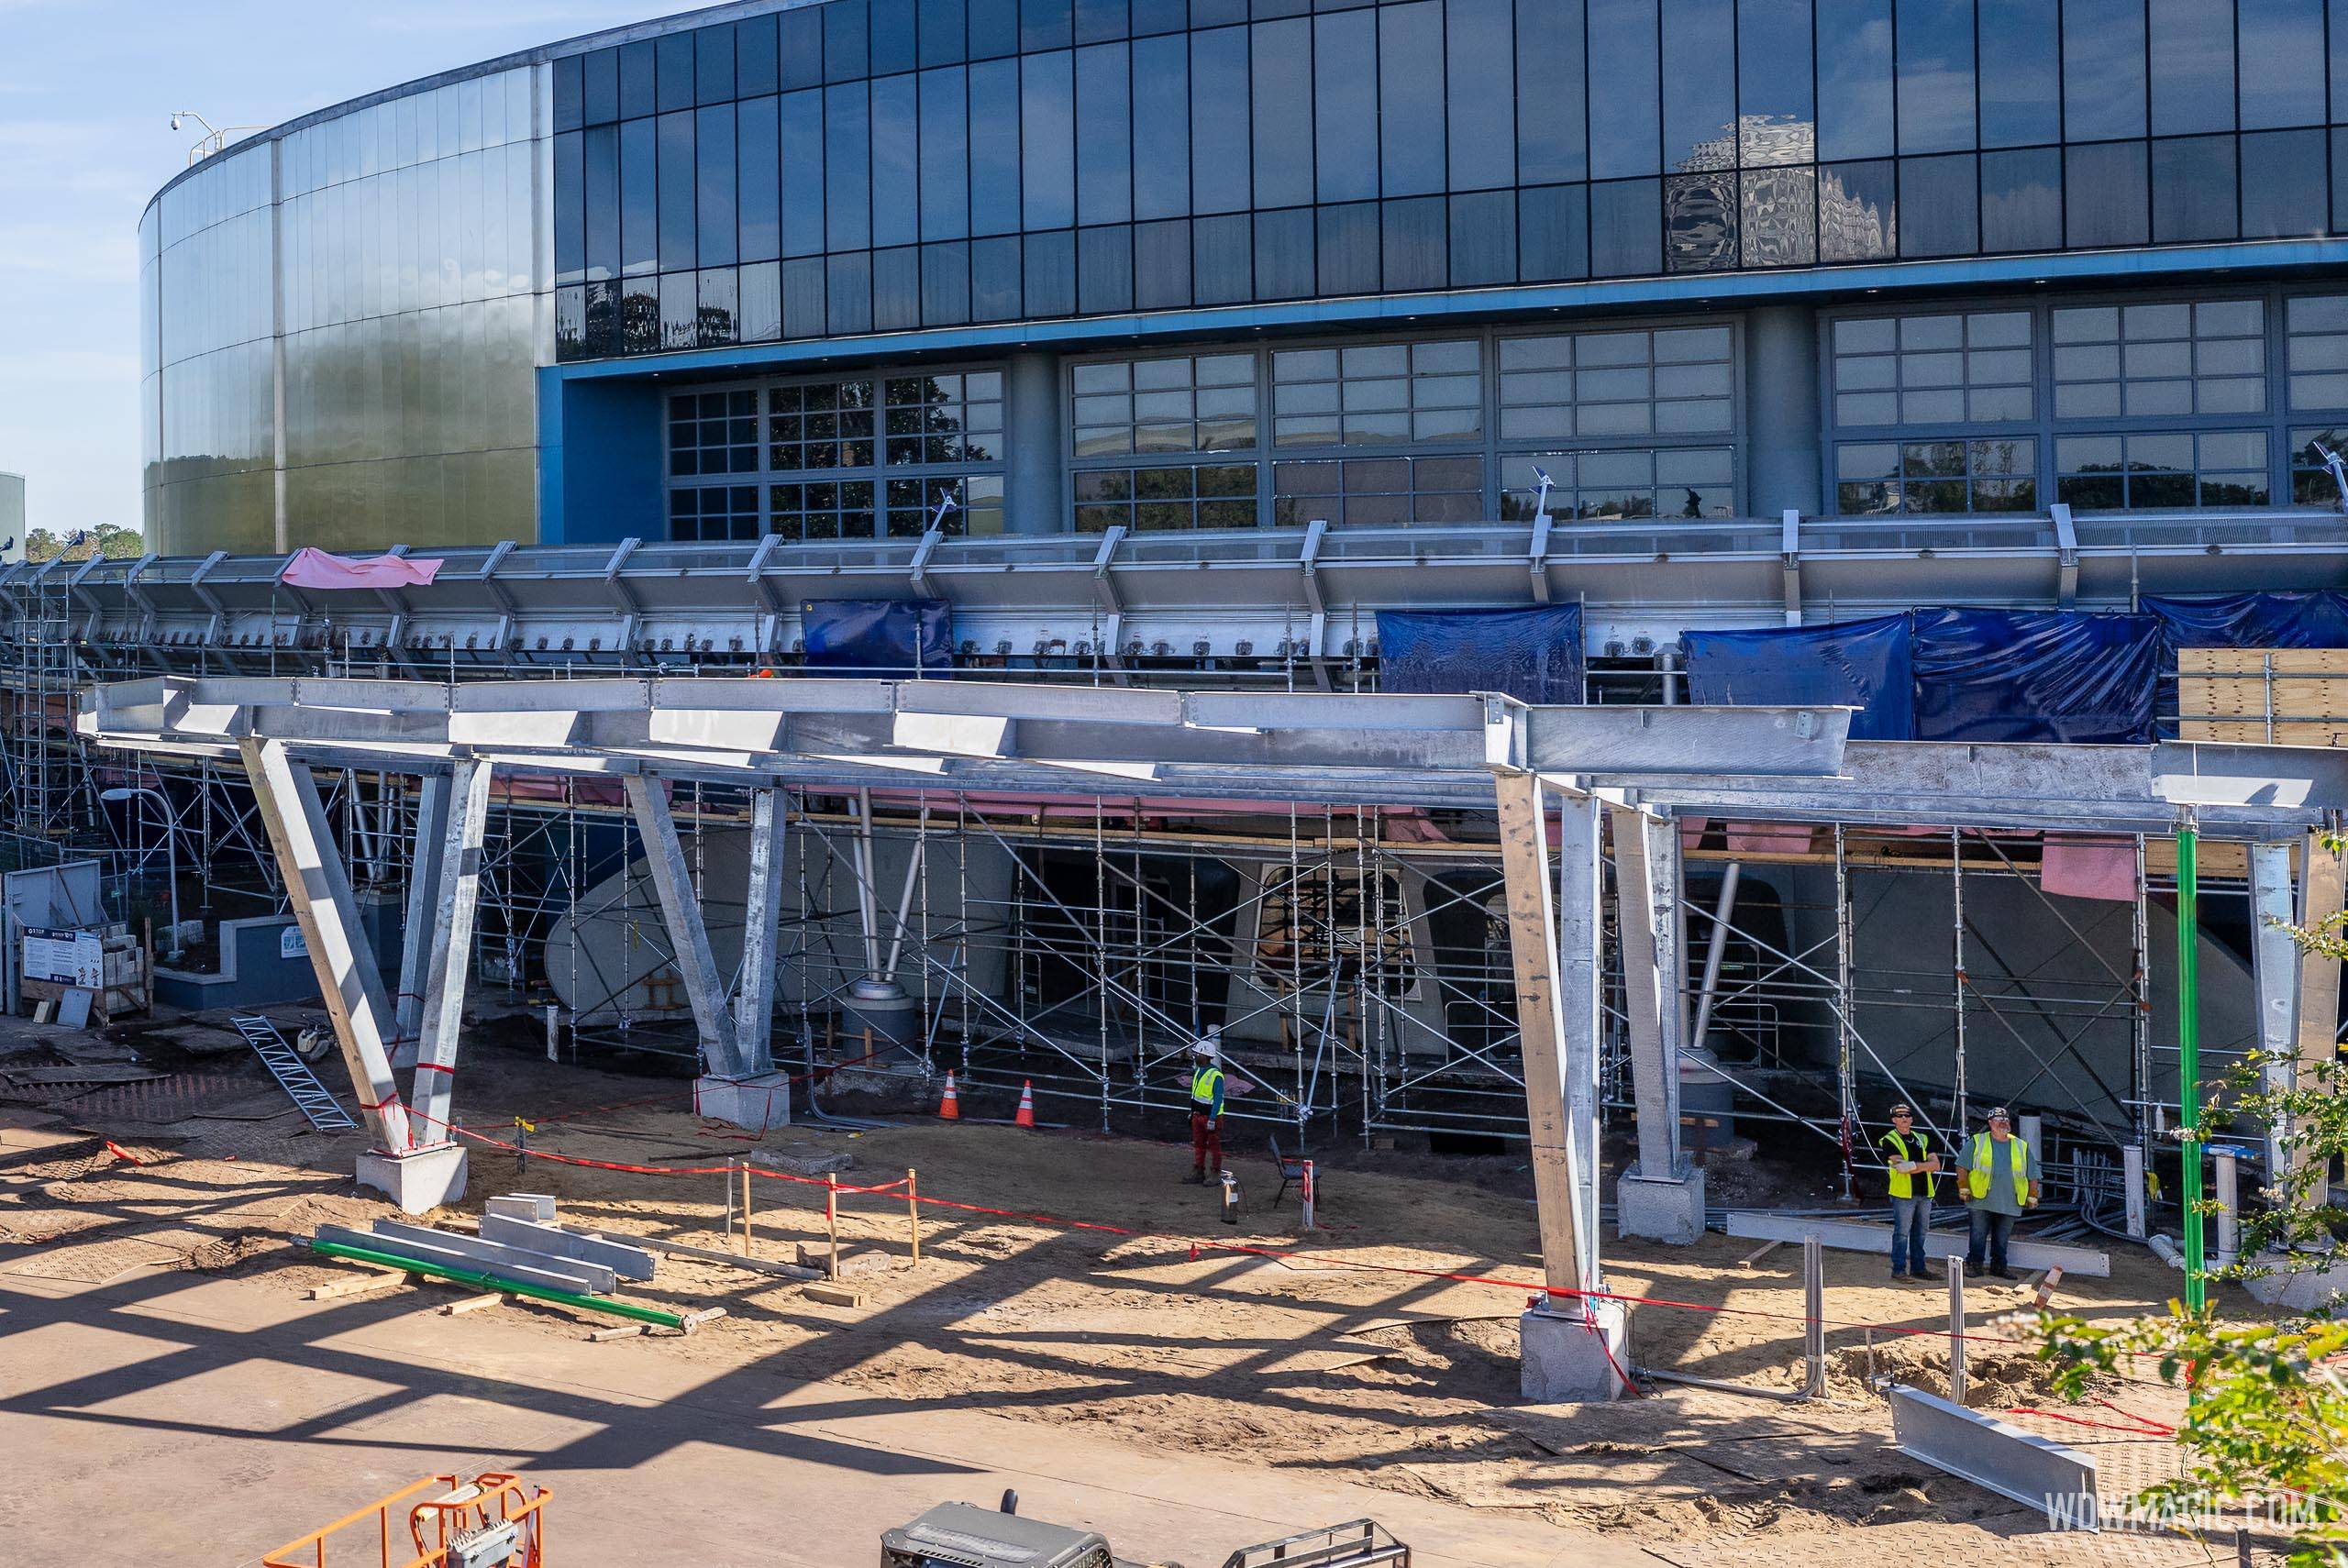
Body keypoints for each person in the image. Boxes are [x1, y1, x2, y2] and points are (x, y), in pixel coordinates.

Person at [1962, 1107, 2041, 1279]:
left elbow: (2032, 1173)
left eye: (2006, 1120)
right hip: (1980, 1198)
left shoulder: (2020, 1146)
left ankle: (1999, 1266)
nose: (2003, 1123)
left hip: (2010, 1200)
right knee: (1978, 1234)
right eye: (1999, 1120)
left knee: (2002, 1237)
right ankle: (1974, 1265)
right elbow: (1962, 1166)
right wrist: (1963, 1187)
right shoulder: (1977, 1141)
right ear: (1990, 1123)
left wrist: (2033, 1194)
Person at [1877, 1103, 1941, 1282]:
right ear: (1894, 1120)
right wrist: (1923, 1166)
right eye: (1900, 1116)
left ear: (1912, 1119)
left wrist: (1913, 1166)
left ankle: (1918, 1268)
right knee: (1902, 1233)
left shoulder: (1923, 1138)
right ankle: (1898, 1269)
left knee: (1921, 1232)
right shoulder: (1890, 1139)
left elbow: (1936, 1165)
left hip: (1924, 1192)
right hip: (1903, 1194)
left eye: (1907, 1115)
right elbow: (1901, 1167)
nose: (1904, 1119)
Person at [1183, 1029, 1226, 1186]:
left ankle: (1215, 1172)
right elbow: (1195, 1094)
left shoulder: (1216, 1076)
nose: (1195, 1056)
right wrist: (1192, 1112)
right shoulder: (1198, 1072)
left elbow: (1218, 1099)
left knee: (1214, 1146)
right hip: (1198, 1114)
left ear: (1206, 1056)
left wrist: (1213, 1118)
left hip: (1210, 1116)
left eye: (1197, 1054)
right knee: (1199, 1145)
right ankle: (1199, 1170)